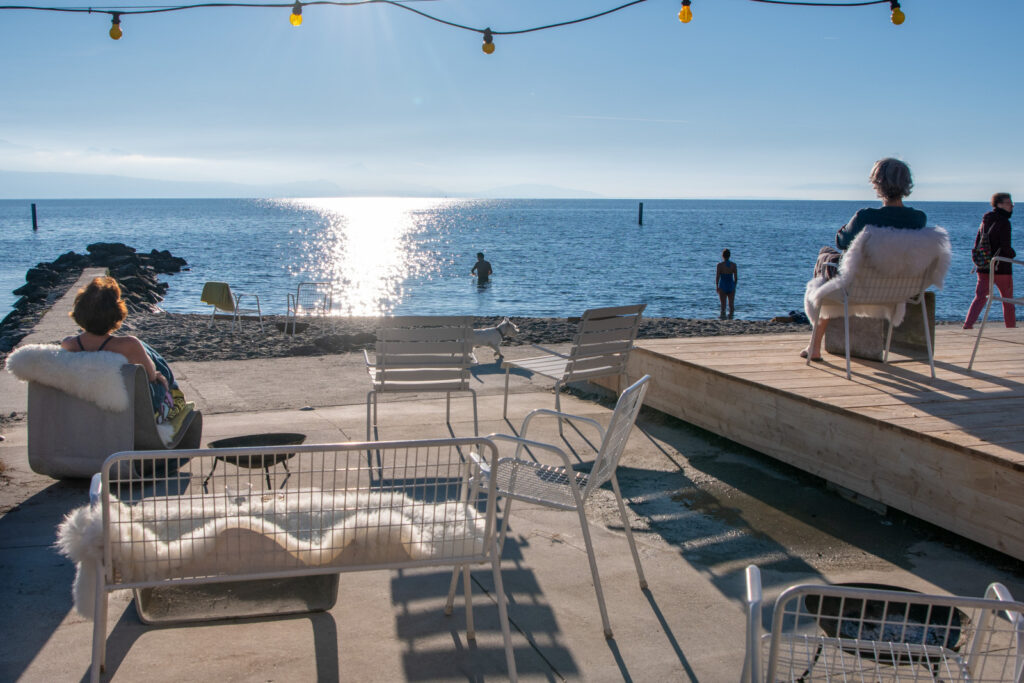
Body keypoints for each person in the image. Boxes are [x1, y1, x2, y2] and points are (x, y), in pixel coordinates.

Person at [802, 158, 928, 360]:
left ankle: (814, 346)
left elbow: (841, 241)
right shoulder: (918, 219)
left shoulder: (865, 217)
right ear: (907, 184)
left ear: (877, 184)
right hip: (899, 289)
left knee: (825, 258)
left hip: (860, 289)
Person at [60, 276, 177, 416]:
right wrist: (157, 374)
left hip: (89, 405)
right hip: (132, 409)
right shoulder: (128, 345)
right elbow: (151, 377)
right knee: (149, 354)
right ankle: (175, 394)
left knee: (142, 347)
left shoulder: (69, 344)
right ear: (117, 314)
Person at [964, 193, 1016, 329]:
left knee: (980, 298)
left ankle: (968, 325)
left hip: (983, 265)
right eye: (1008, 203)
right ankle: (1010, 328)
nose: (1011, 206)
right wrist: (1012, 254)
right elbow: (1005, 247)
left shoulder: (985, 220)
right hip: (1001, 267)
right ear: (999, 204)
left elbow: (977, 243)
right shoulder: (1004, 222)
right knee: (1007, 300)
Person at [716, 249, 738, 320]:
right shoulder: (733, 265)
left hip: (723, 285)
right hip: (731, 284)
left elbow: (717, 277)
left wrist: (717, 286)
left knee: (723, 305)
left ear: (722, 256)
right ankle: (731, 317)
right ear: (729, 256)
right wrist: (734, 286)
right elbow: (736, 278)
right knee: (731, 305)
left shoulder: (720, 265)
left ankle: (723, 317)